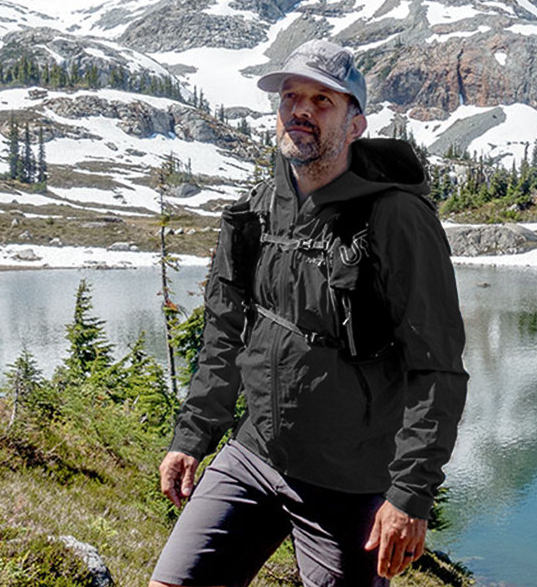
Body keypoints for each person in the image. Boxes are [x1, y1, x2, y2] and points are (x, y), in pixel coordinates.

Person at [149, 40, 468, 587]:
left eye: (323, 100)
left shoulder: (396, 217)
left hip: (349, 478)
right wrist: (192, 436)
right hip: (254, 455)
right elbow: (224, 333)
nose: (300, 110)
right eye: (290, 97)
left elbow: (436, 366)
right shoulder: (253, 212)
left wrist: (410, 493)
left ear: (355, 124)